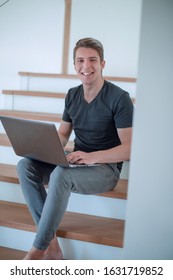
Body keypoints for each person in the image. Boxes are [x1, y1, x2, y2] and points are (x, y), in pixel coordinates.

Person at [17, 37, 133, 260]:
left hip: (105, 169)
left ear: (102, 64)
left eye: (92, 60)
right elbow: (63, 134)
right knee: (25, 166)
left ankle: (37, 250)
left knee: (61, 174)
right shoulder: (72, 95)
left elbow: (129, 149)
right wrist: (44, 149)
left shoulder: (119, 98)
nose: (86, 66)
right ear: (74, 65)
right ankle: (53, 247)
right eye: (80, 60)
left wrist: (92, 157)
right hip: (77, 162)